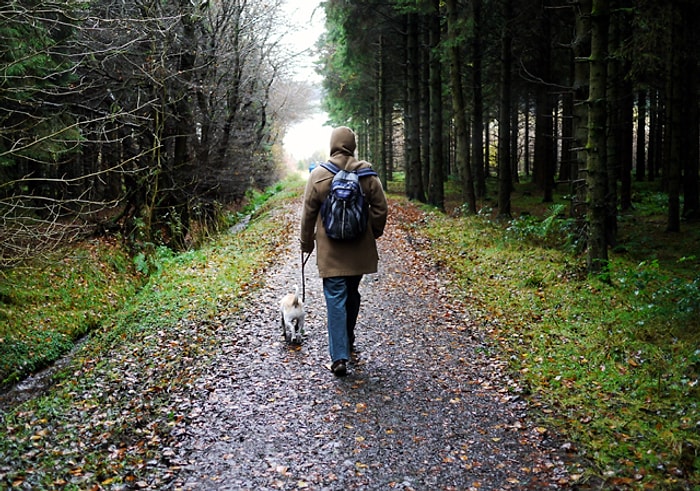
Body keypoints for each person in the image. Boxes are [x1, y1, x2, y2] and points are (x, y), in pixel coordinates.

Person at [300, 126, 388, 376]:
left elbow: (308, 215)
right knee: (352, 292)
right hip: (359, 251)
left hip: (331, 254)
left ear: (332, 145)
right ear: (352, 145)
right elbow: (381, 209)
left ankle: (339, 356)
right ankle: (347, 339)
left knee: (335, 298)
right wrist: (373, 233)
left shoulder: (318, 175)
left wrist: (306, 244)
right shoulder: (367, 174)